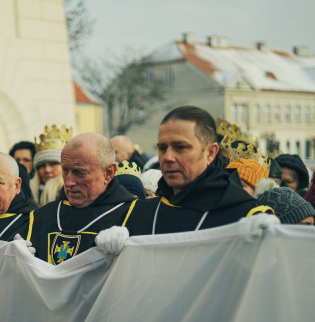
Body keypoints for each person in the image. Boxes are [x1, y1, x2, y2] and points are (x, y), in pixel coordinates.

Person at [128, 106, 274, 235]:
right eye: (162, 148)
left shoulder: (246, 216)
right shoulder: (138, 213)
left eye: (181, 147)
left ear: (210, 153)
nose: (167, 157)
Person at [27, 132, 141, 264]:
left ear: (108, 173)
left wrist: (130, 249)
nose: (68, 182)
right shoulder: (41, 217)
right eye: (65, 171)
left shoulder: (134, 217)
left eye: (79, 172)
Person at [29, 125, 72, 208]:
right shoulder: (28, 195)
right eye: (42, 166)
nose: (47, 170)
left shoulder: (72, 195)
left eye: (53, 164)